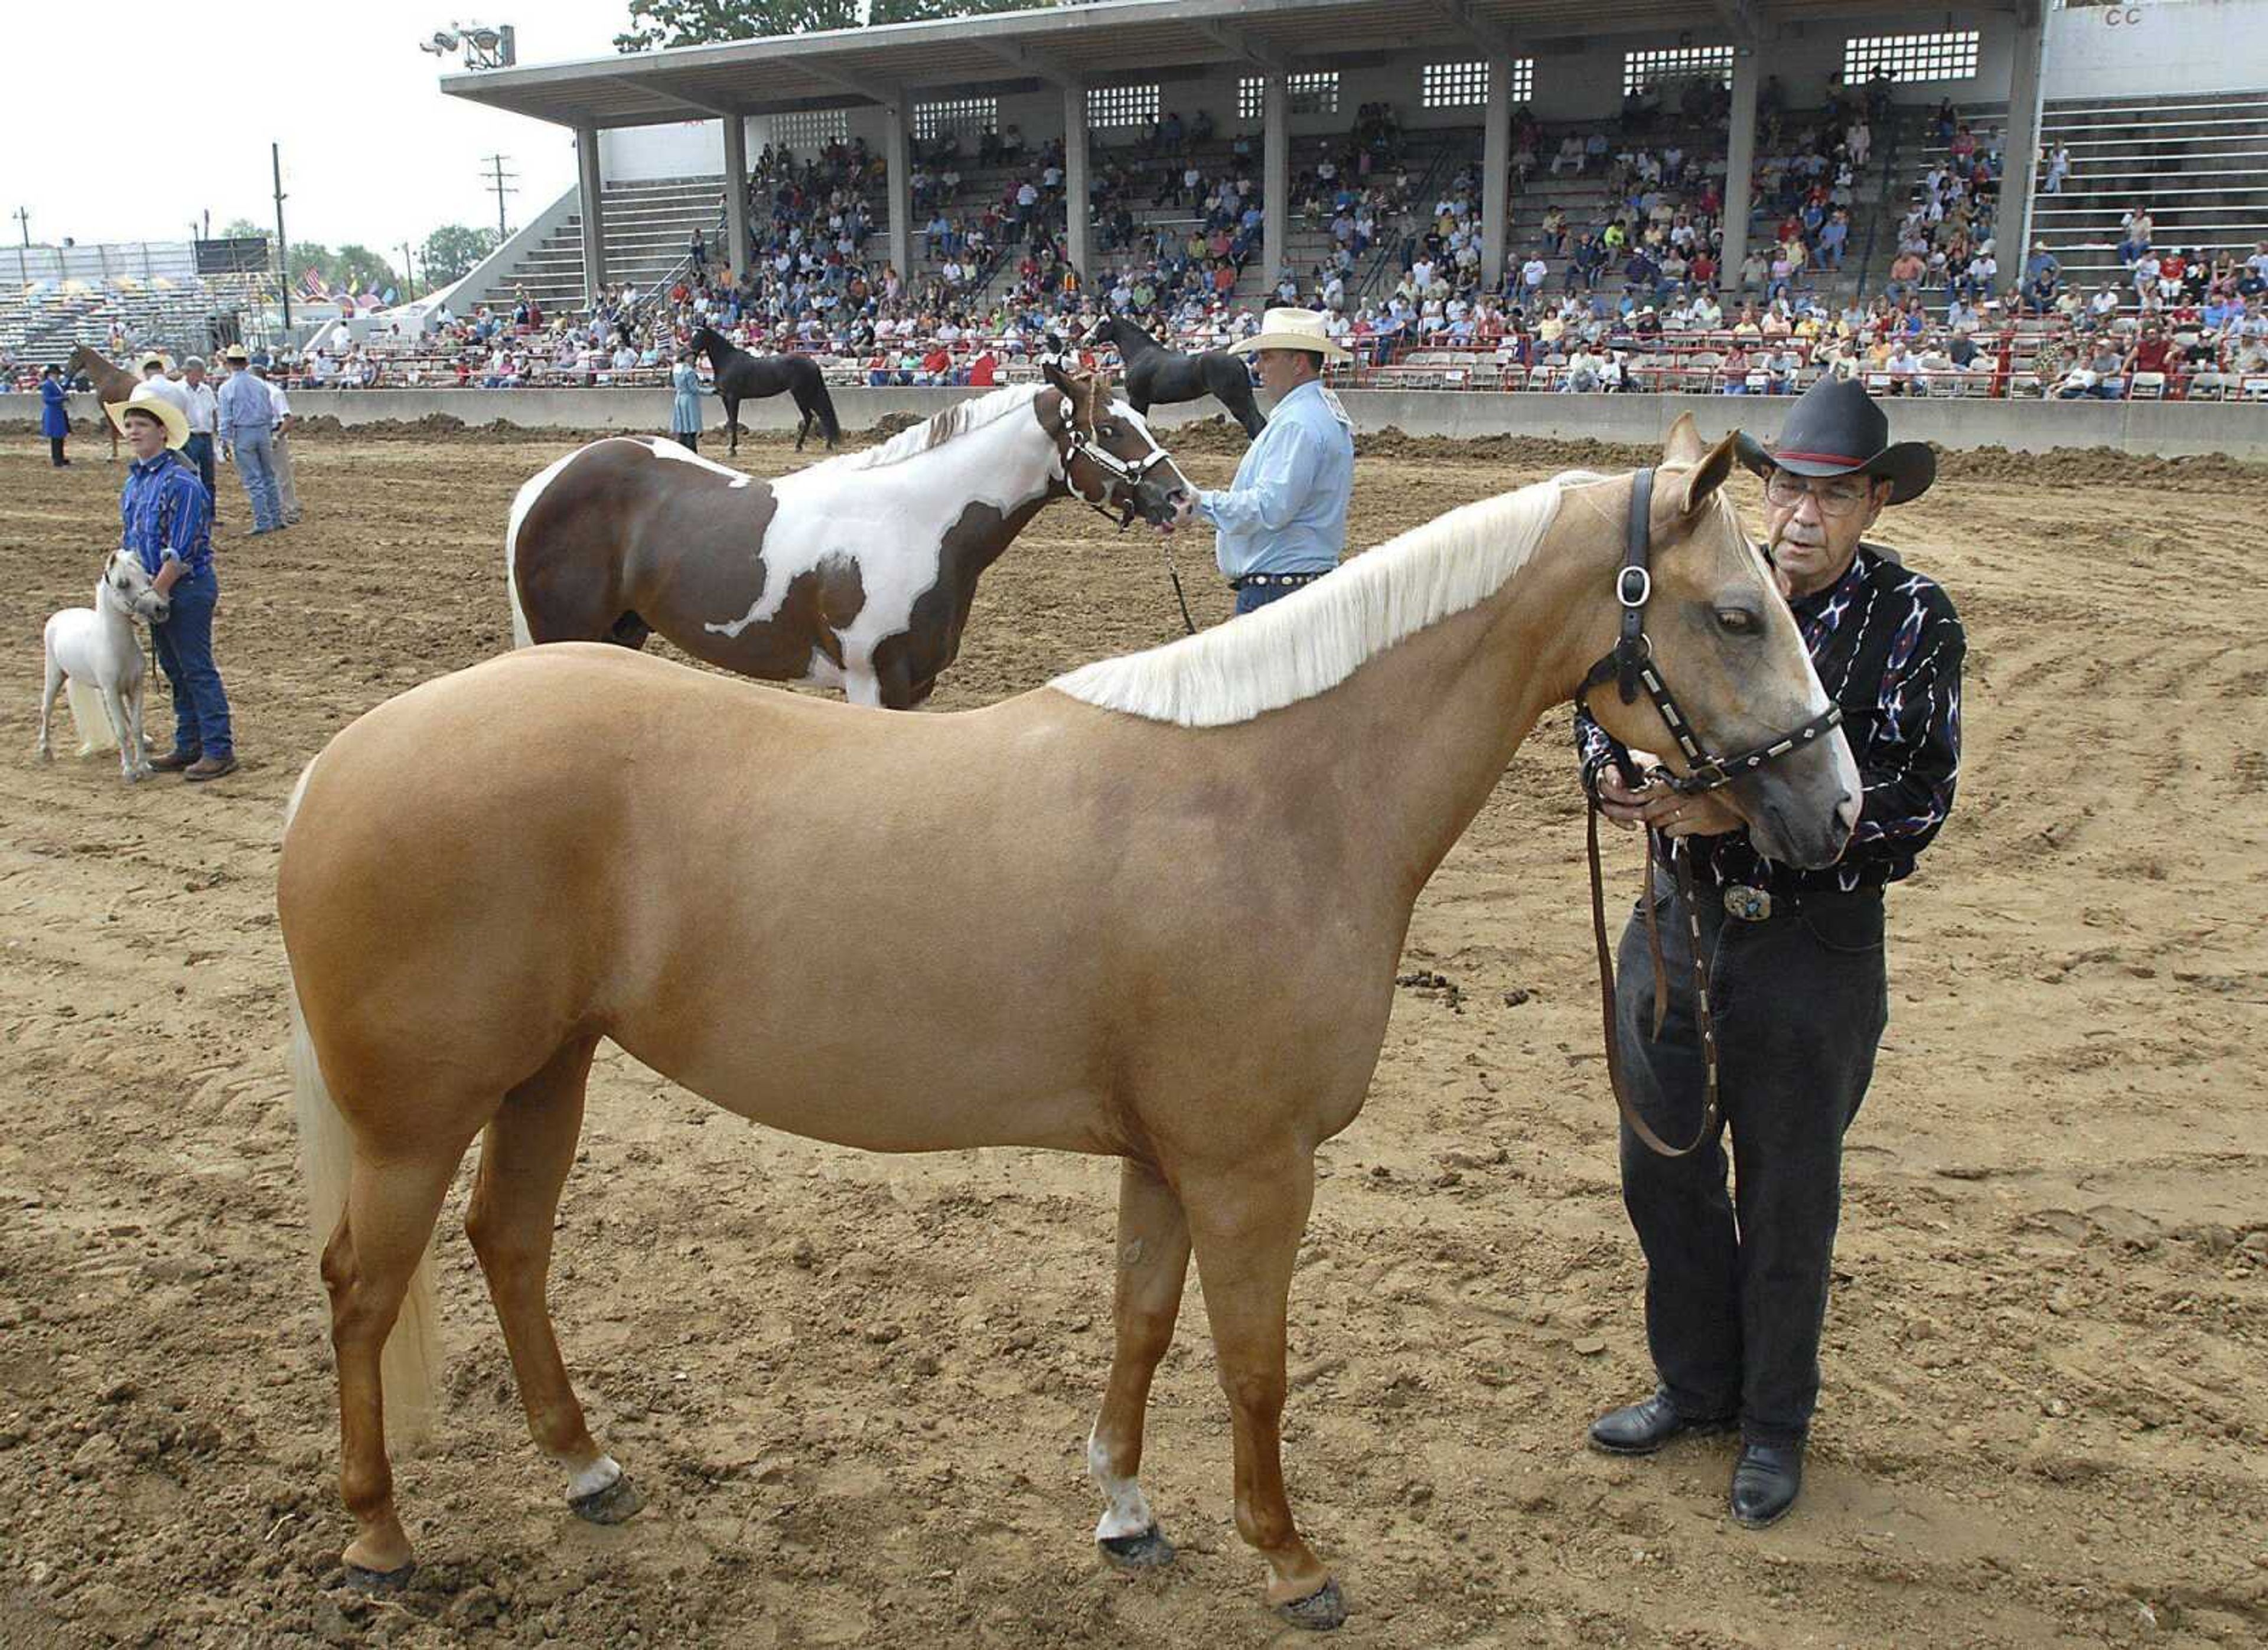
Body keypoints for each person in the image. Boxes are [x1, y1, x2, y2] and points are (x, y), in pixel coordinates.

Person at [1575, 376, 1964, 1530]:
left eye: (1831, 493)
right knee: (1664, 1171)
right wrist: (1612, 775)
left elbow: (1913, 800)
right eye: (1788, 483)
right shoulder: (1706, 583)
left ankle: (1776, 1423)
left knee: (1790, 1191)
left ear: (1874, 504)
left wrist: (1736, 811)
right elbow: (1606, 702)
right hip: (1678, 926)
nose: (1801, 511)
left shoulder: (1911, 619)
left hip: (1812, 946)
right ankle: (1697, 1386)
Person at [1156, 307, 1354, 617]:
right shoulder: (1324, 414)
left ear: (1299, 363)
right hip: (1303, 584)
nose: (1257, 366)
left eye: (1267, 357)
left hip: (1277, 591)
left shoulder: (1296, 424)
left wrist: (1200, 503)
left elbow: (1269, 507)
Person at [103, 381, 237, 781]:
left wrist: (155, 592)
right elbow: (132, 546)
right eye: (129, 425)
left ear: (163, 432)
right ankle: (189, 742)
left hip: (185, 587)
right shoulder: (136, 483)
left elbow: (182, 549)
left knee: (195, 668)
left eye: (142, 424)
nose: (133, 431)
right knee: (176, 670)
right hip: (153, 590)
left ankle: (218, 748)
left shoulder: (182, 483)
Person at [217, 344, 282, 534]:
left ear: (229, 364)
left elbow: (225, 417)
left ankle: (263, 521)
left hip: (243, 433)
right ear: (246, 363)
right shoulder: (260, 384)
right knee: (269, 476)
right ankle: (276, 517)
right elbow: (269, 410)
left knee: (254, 479)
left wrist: (224, 440)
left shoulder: (226, 388)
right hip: (263, 430)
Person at [255, 360, 302, 525]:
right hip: (260, 433)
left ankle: (289, 509)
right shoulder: (257, 393)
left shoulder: (274, 393)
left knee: (281, 475)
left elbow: (288, 419)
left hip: (273, 433)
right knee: (265, 475)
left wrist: (278, 436)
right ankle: (273, 509)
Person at [179, 357, 220, 508]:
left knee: (209, 476)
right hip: (189, 436)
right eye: (199, 373)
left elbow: (214, 412)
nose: (202, 376)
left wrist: (216, 432)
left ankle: (209, 513)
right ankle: (193, 511)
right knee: (190, 475)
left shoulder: (206, 390)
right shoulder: (178, 390)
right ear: (189, 372)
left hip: (205, 436)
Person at [669, 350, 703, 451]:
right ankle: (692, 450)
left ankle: (682, 450)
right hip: (689, 400)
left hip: (679, 398)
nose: (693, 357)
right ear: (686, 357)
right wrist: (711, 391)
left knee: (682, 428)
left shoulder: (676, 369)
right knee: (691, 428)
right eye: (691, 356)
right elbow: (694, 389)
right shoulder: (689, 371)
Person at [40, 363, 71, 466]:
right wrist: (62, 398)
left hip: (58, 412)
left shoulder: (55, 384)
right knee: (56, 438)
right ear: (52, 374)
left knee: (59, 437)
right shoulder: (47, 385)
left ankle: (60, 458)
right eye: (56, 374)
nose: (58, 376)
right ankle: (57, 459)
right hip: (54, 413)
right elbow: (47, 399)